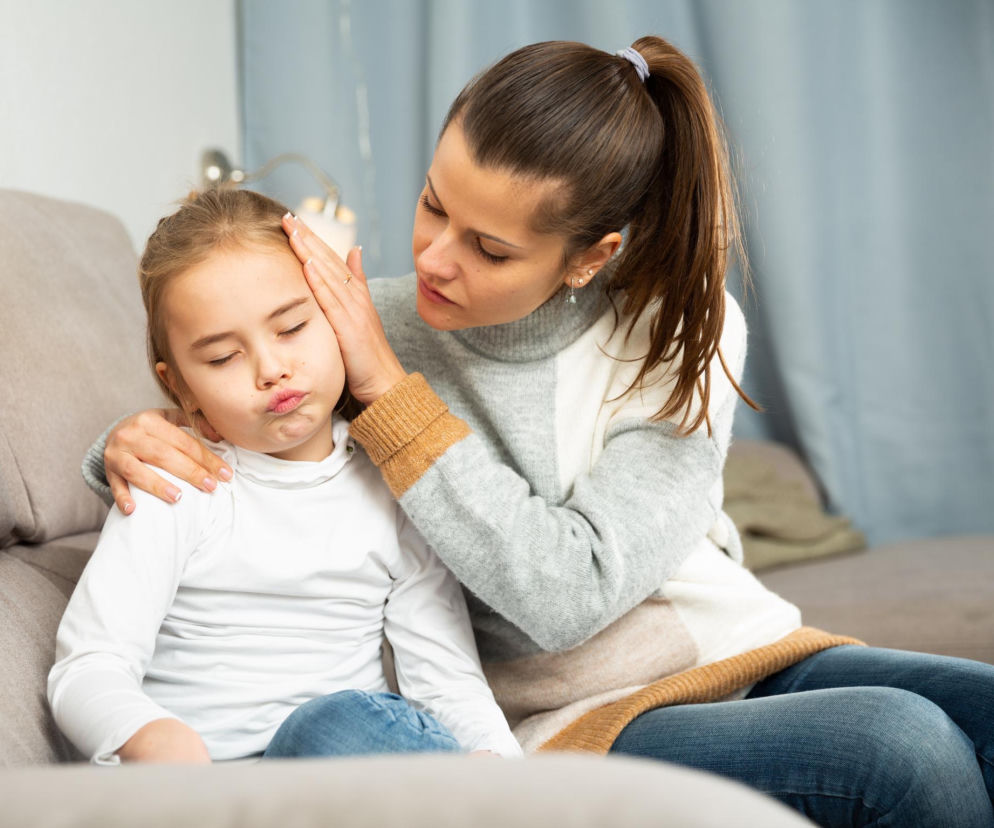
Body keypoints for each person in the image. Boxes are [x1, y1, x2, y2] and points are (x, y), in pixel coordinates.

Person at [83, 37, 993, 825]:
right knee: (902, 748)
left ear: (590, 257)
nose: (434, 259)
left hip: (735, 648)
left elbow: (573, 586)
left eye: (491, 248)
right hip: (578, 713)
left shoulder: (680, 328)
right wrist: (125, 441)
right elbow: (249, 421)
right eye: (435, 204)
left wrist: (388, 386)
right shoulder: (353, 328)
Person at [50, 188, 521, 765]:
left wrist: (501, 765)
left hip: (348, 772)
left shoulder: (394, 487)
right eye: (223, 358)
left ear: (341, 317)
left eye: (292, 327)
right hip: (215, 789)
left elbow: (445, 679)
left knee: (350, 722)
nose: (271, 369)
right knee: (339, 723)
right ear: (179, 387)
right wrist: (152, 737)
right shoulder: (177, 486)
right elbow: (87, 666)